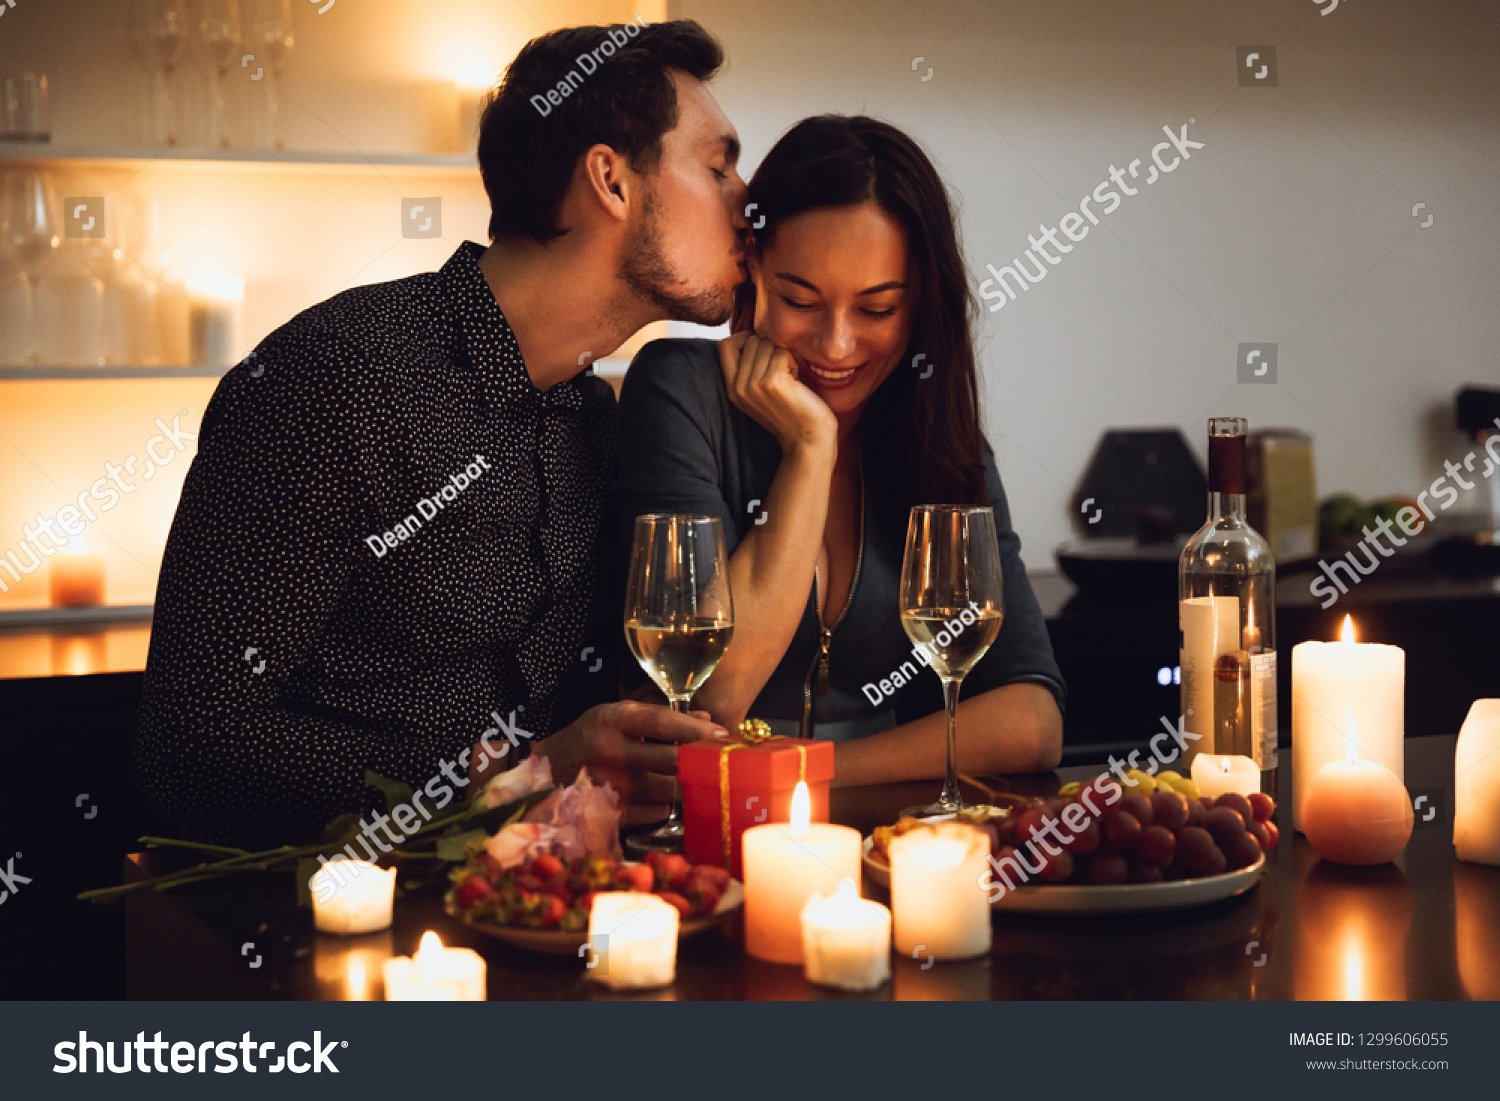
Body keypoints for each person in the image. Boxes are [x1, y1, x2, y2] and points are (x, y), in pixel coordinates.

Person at [135, 20, 750, 846]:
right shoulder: (339, 380)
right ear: (610, 180)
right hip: (292, 913)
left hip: (521, 902)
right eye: (719, 167)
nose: (750, 201)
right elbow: (193, 747)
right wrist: (508, 780)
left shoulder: (591, 416)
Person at [610, 115, 1064, 786]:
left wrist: (809, 772)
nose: (836, 345)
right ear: (753, 266)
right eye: (800, 299)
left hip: (888, 848)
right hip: (708, 838)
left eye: (877, 309)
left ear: (919, 305)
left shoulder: (936, 430)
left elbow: (1031, 719)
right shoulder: (679, 391)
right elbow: (717, 691)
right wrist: (811, 448)